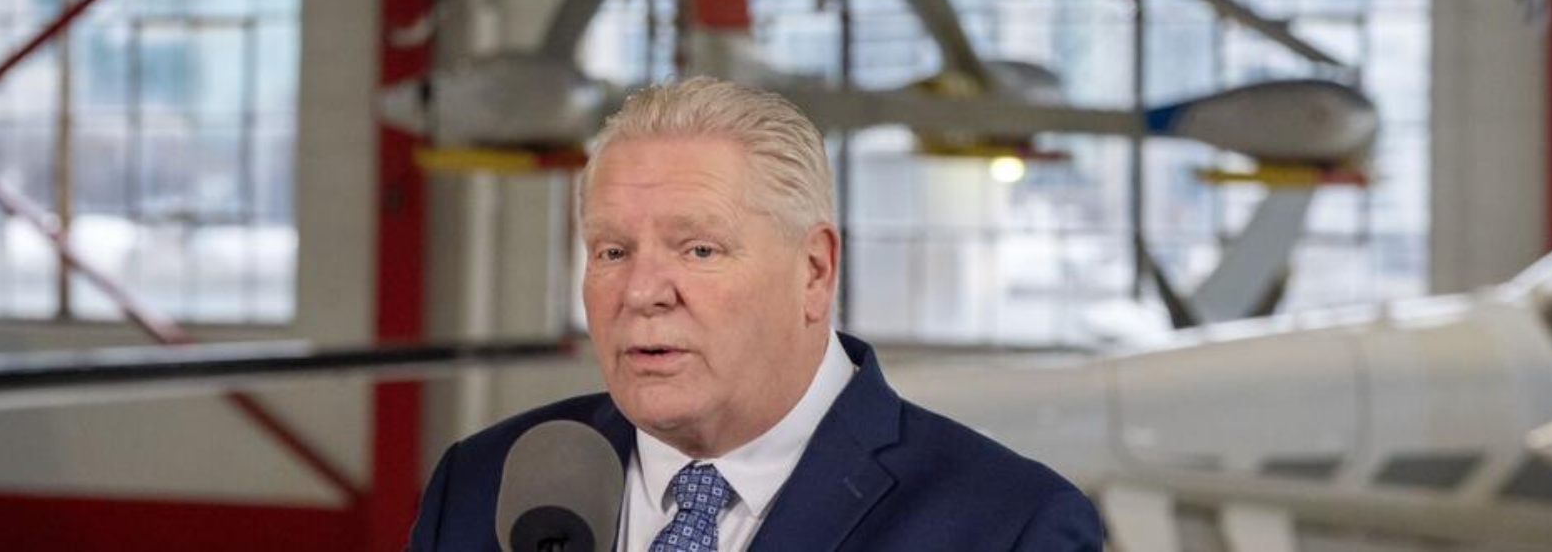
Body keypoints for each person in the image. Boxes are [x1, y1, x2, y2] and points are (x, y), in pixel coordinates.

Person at [408, 77, 1101, 551]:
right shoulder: (481, 484)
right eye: (612, 251)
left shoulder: (1007, 526)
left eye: (699, 249)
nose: (642, 291)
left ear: (814, 271)